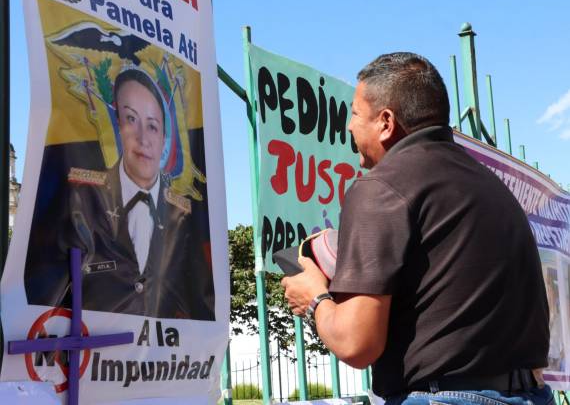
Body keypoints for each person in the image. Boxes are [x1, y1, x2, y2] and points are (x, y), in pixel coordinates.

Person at [281, 52, 551, 404]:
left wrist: (315, 297)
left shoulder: (380, 187)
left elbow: (356, 343)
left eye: (355, 113)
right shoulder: (492, 186)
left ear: (386, 122)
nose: (349, 126)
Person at [25, 68, 215, 320]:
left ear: (164, 139)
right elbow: (44, 291)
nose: (143, 138)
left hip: (165, 356)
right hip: (89, 356)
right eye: (131, 119)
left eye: (153, 126)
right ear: (118, 127)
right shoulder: (80, 200)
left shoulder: (183, 215)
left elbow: (200, 304)